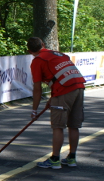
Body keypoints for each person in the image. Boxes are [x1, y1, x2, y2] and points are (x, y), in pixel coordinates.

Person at [27, 37, 86, 169]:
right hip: (79, 86)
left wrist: (34, 110)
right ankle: (72, 158)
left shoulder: (38, 61)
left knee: (58, 126)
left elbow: (37, 89)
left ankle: (55, 159)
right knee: (73, 125)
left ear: (30, 51)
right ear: (43, 44)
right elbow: (59, 76)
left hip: (64, 89)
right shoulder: (59, 54)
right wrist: (53, 98)